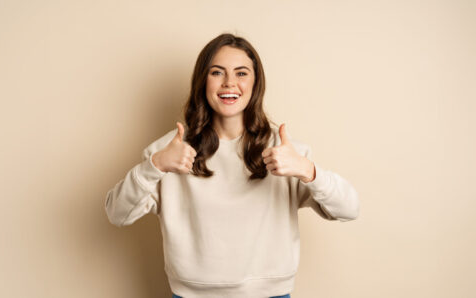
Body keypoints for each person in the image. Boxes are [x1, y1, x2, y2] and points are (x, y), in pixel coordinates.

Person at [105, 33, 359, 298]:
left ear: (255, 83)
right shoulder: (169, 150)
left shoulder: (286, 151)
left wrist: (308, 170)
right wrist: (155, 165)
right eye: (217, 72)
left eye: (241, 73)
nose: (229, 83)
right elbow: (117, 213)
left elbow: (349, 209)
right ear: (203, 80)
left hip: (271, 294)